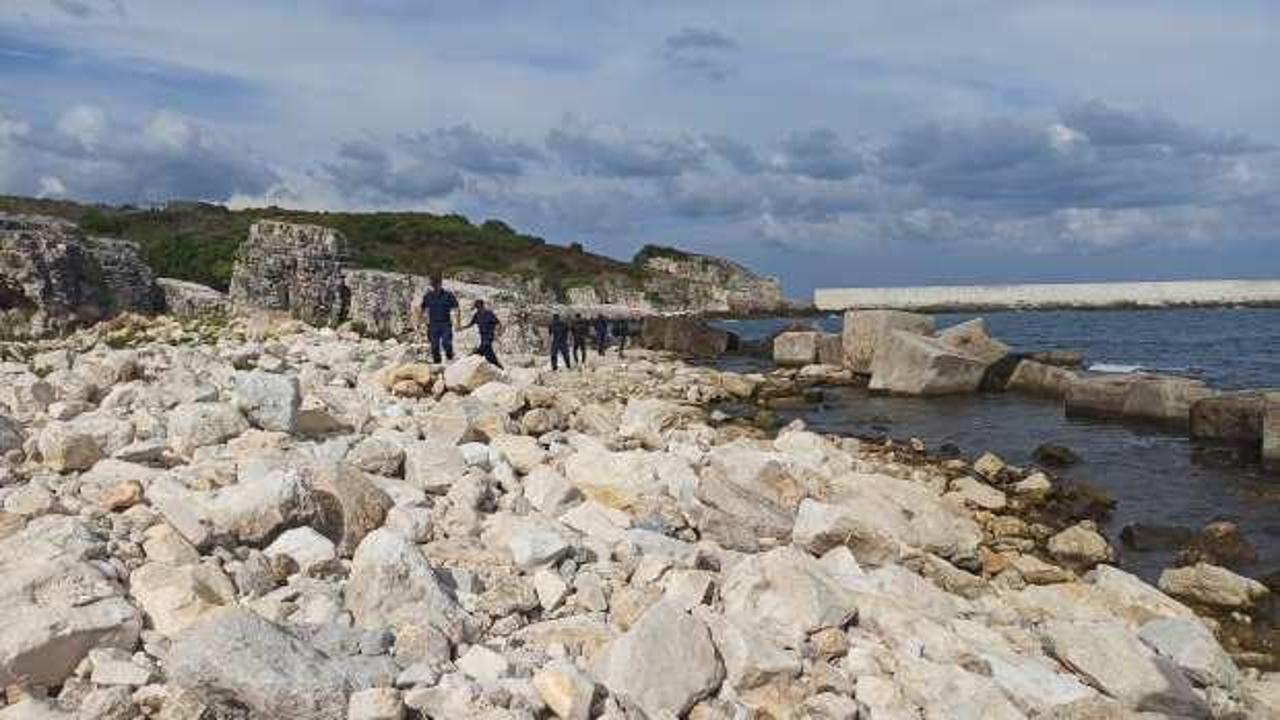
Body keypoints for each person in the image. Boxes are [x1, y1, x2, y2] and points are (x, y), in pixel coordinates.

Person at [420, 274, 460, 364]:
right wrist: (421, 322)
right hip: (433, 325)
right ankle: (437, 364)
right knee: (434, 346)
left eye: (436, 283)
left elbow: (456, 308)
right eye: (433, 284)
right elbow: (422, 309)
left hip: (445, 324)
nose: (434, 286)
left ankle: (450, 358)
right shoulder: (428, 296)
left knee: (446, 343)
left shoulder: (448, 295)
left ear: (440, 284)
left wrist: (458, 323)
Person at [461, 299, 503, 369]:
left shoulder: (489, 313)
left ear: (482, 305)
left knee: (483, 350)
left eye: (478, 306)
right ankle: (498, 367)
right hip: (483, 336)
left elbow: (498, 323)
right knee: (488, 353)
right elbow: (470, 324)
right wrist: (462, 328)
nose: (478, 308)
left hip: (489, 336)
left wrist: (498, 332)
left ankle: (471, 360)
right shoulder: (477, 315)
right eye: (476, 307)